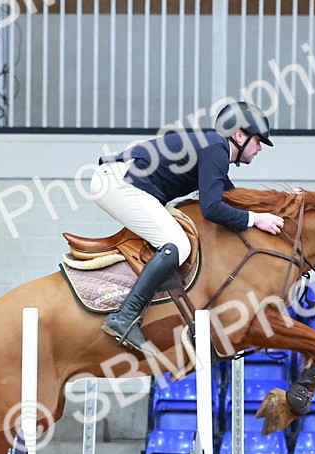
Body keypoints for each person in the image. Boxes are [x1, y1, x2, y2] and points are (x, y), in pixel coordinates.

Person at [90, 101, 284, 355]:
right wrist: (255, 219)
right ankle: (124, 317)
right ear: (239, 136)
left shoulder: (213, 148)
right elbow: (212, 209)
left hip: (123, 181)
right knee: (177, 245)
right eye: (258, 141)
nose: (259, 148)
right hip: (119, 183)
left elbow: (232, 198)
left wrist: (269, 213)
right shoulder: (216, 147)